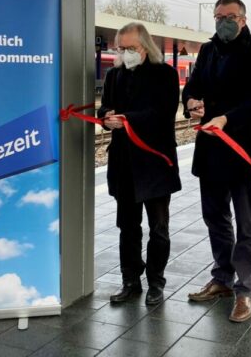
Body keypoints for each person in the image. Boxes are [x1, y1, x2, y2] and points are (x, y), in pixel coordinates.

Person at [183, 0, 251, 323]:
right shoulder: (208, 51)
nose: (224, 20)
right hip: (210, 150)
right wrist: (191, 101)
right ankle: (222, 277)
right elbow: (192, 85)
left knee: (246, 222)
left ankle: (245, 289)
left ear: (243, 19)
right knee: (215, 217)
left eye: (230, 16)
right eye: (219, 15)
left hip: (241, 149)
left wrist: (226, 118)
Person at [97, 22, 181, 306]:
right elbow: (104, 107)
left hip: (155, 163)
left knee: (159, 227)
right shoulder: (114, 76)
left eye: (130, 48)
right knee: (127, 227)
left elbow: (163, 112)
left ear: (146, 47)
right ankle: (130, 280)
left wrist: (127, 119)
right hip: (124, 164)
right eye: (121, 48)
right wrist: (107, 116)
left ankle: (156, 282)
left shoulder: (165, 75)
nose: (125, 53)